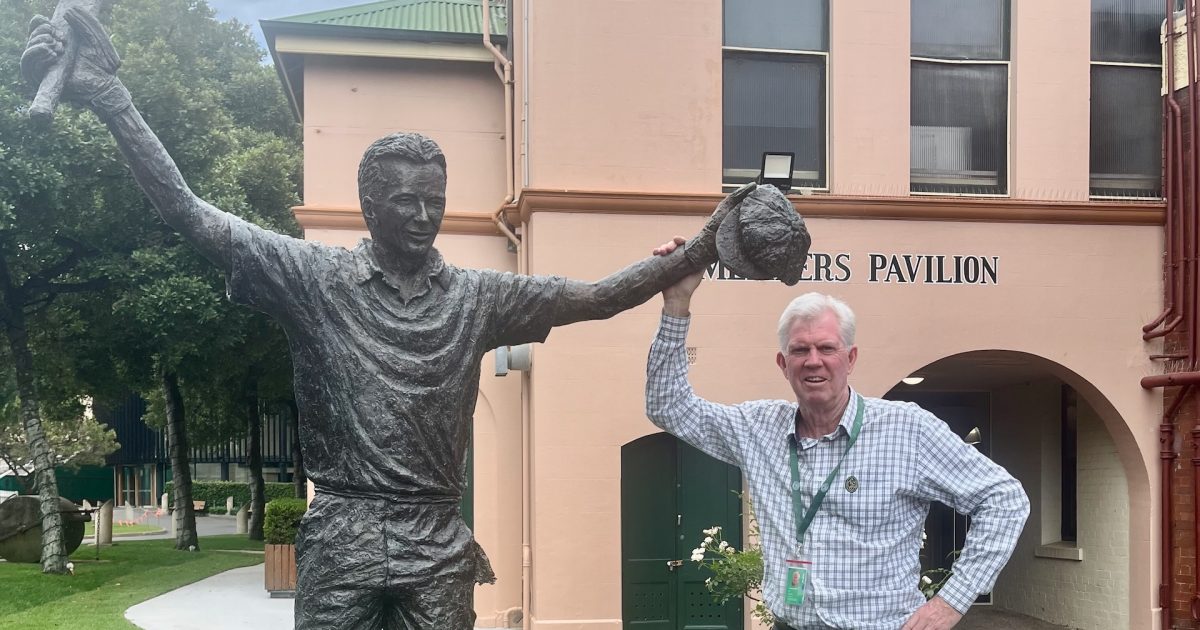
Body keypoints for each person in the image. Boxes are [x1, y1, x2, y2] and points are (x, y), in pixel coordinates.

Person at [21, 10, 758, 629]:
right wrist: (112, 100)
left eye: (434, 199)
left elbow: (592, 297)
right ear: (370, 205)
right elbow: (193, 216)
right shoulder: (316, 280)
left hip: (436, 539)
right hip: (342, 532)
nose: (423, 214)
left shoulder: (478, 297)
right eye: (404, 200)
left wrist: (693, 252)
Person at [643, 258, 1030, 630]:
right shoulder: (756, 429)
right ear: (783, 363)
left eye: (826, 348)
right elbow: (668, 406)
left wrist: (950, 602)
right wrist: (677, 303)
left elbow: (1005, 499)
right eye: (800, 350)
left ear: (850, 358)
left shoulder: (906, 430)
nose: (813, 361)